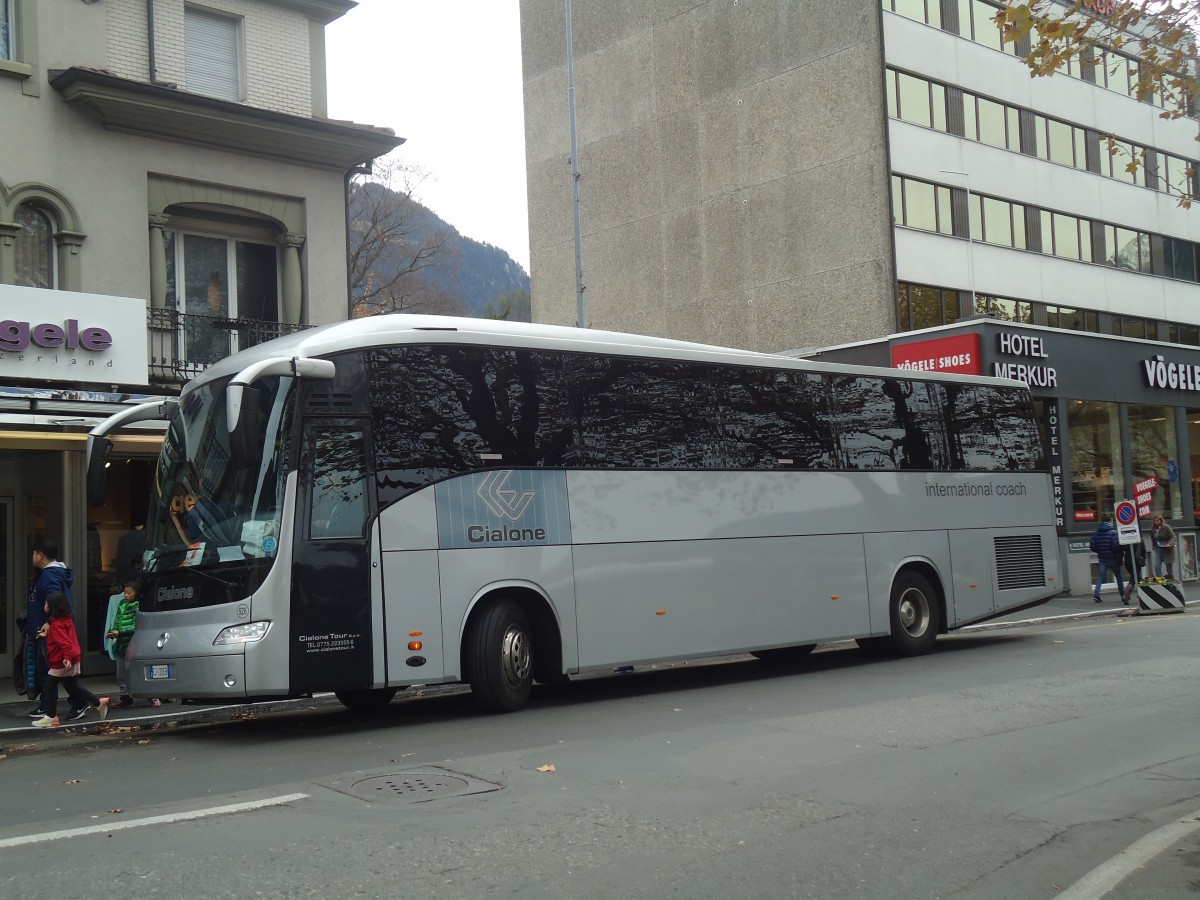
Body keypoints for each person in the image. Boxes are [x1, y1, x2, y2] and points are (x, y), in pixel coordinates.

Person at [24, 539, 81, 719]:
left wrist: (49, 622)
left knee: (56, 672)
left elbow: (55, 600)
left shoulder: (49, 575)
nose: (32, 557)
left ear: (40, 555)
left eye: (34, 553)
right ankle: (47, 706)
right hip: (43, 630)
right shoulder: (50, 573)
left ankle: (79, 703)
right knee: (45, 671)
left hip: (48, 631)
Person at [31, 591, 107, 728]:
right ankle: (98, 702)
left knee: (49, 686)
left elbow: (65, 644)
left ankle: (51, 716)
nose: (44, 605)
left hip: (62, 660)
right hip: (69, 658)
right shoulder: (65, 620)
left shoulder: (56, 625)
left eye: (46, 603)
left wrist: (67, 658)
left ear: (52, 606)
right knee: (72, 685)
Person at [104, 580, 159, 708]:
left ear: (137, 593)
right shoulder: (122, 604)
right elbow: (117, 620)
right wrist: (113, 631)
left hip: (135, 643)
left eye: (129, 593)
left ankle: (152, 696)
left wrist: (120, 632)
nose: (125, 595)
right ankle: (125, 697)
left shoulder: (140, 606)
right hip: (121, 643)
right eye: (124, 593)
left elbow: (136, 626)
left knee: (138, 672)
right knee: (121, 673)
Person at [1089, 513, 1125, 602]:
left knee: (1101, 577)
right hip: (1113, 558)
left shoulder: (1097, 532)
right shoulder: (1113, 532)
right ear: (1111, 520)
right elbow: (1115, 546)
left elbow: (1092, 546)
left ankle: (1096, 594)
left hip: (1102, 558)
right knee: (1118, 577)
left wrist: (1100, 551)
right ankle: (1123, 595)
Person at [1121, 535, 1147, 604]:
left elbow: (1121, 549)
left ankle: (1143, 594)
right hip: (1136, 561)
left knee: (1137, 578)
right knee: (1133, 579)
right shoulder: (1139, 539)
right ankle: (1126, 595)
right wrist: (1143, 557)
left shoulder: (1126, 538)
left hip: (1127, 561)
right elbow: (1143, 550)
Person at [1150, 515, 1176, 579]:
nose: (1156, 522)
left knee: (1168, 567)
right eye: (1154, 521)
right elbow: (1153, 538)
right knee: (1157, 566)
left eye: (1157, 521)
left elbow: (1173, 537)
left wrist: (1170, 544)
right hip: (1158, 549)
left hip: (1167, 549)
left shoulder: (1166, 527)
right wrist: (1153, 545)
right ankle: (1160, 580)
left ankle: (1170, 580)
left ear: (1161, 521)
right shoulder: (1153, 529)